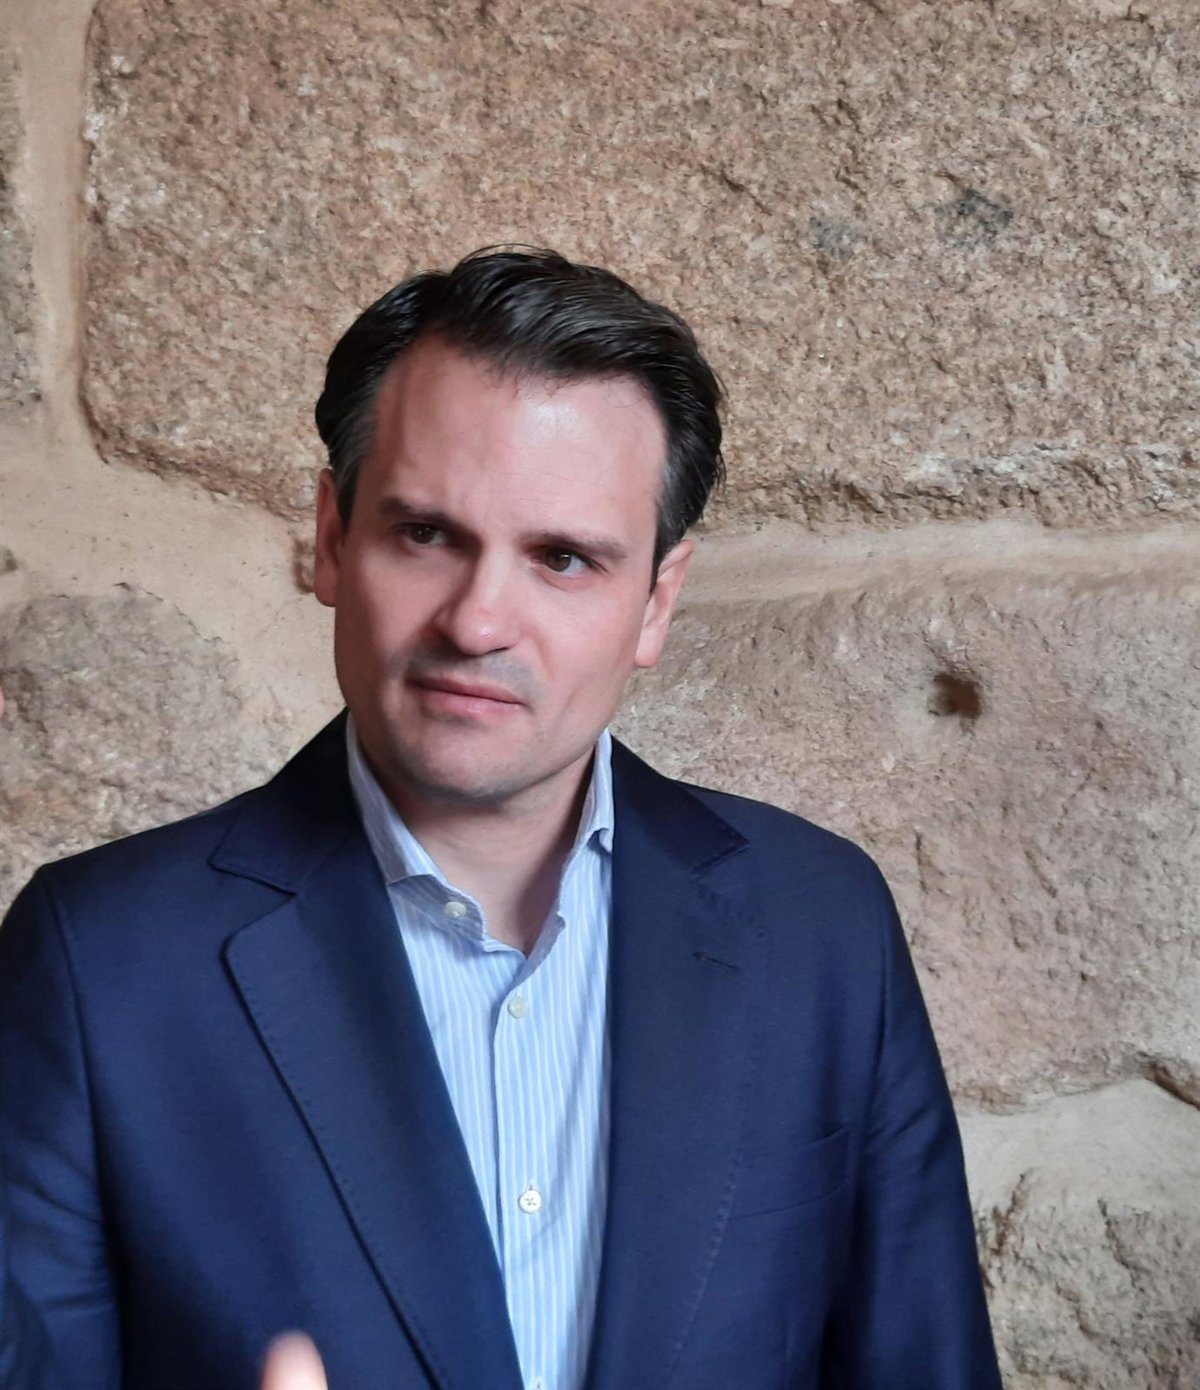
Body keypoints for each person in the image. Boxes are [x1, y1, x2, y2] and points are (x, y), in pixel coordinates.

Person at [0, 247, 1002, 1390]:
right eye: (426, 534)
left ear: (657, 601)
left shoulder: (823, 928)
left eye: (563, 558)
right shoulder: (96, 963)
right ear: (331, 539)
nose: (478, 623)